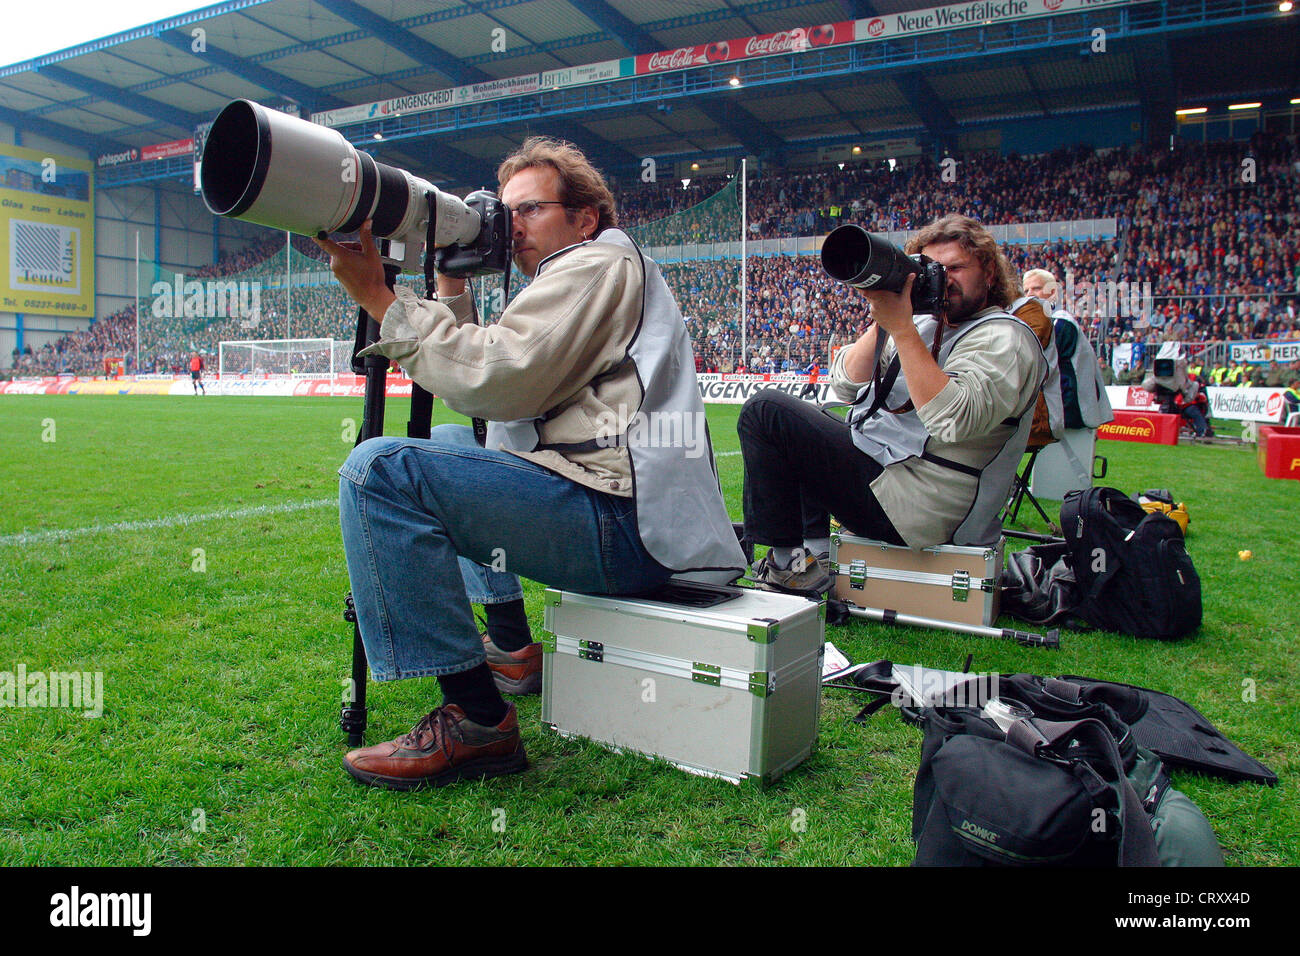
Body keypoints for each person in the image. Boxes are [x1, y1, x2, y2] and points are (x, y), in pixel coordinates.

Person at [314, 137, 745, 791]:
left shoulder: (595, 264)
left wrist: (380, 300)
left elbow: (497, 376)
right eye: (502, 209)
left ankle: (479, 721)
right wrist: (452, 281)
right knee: (455, 445)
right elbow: (496, 382)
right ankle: (512, 650)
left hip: (622, 521)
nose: (507, 225)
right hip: (616, 511)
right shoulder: (584, 270)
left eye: (529, 209)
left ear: (583, 217)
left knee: (384, 471)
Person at [737, 214, 1046, 593]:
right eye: (932, 269)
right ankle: (815, 558)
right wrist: (885, 318)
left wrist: (901, 328)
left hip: (924, 508)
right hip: (894, 480)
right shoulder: (926, 325)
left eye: (957, 268)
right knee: (809, 419)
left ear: (990, 275)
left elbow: (954, 420)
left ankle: (787, 567)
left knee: (766, 412)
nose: (944, 278)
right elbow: (847, 384)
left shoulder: (1006, 337)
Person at [1022, 269, 1113, 432]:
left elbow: (1039, 365)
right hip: (1061, 408)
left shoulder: (1060, 322)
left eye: (1036, 288)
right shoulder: (1048, 322)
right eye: (1026, 290)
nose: (1029, 295)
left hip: (1070, 410)